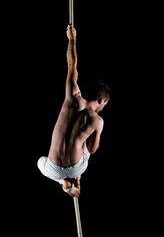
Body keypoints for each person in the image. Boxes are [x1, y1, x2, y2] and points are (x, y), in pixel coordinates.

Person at [37, 24, 110, 198]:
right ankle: (71, 180)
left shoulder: (72, 96)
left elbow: (72, 64)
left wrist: (72, 39)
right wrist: (95, 129)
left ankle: (63, 182)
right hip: (77, 167)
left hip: (53, 169)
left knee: (41, 162)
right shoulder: (98, 120)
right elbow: (92, 150)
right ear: (101, 100)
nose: (102, 108)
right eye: (104, 105)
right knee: (87, 136)